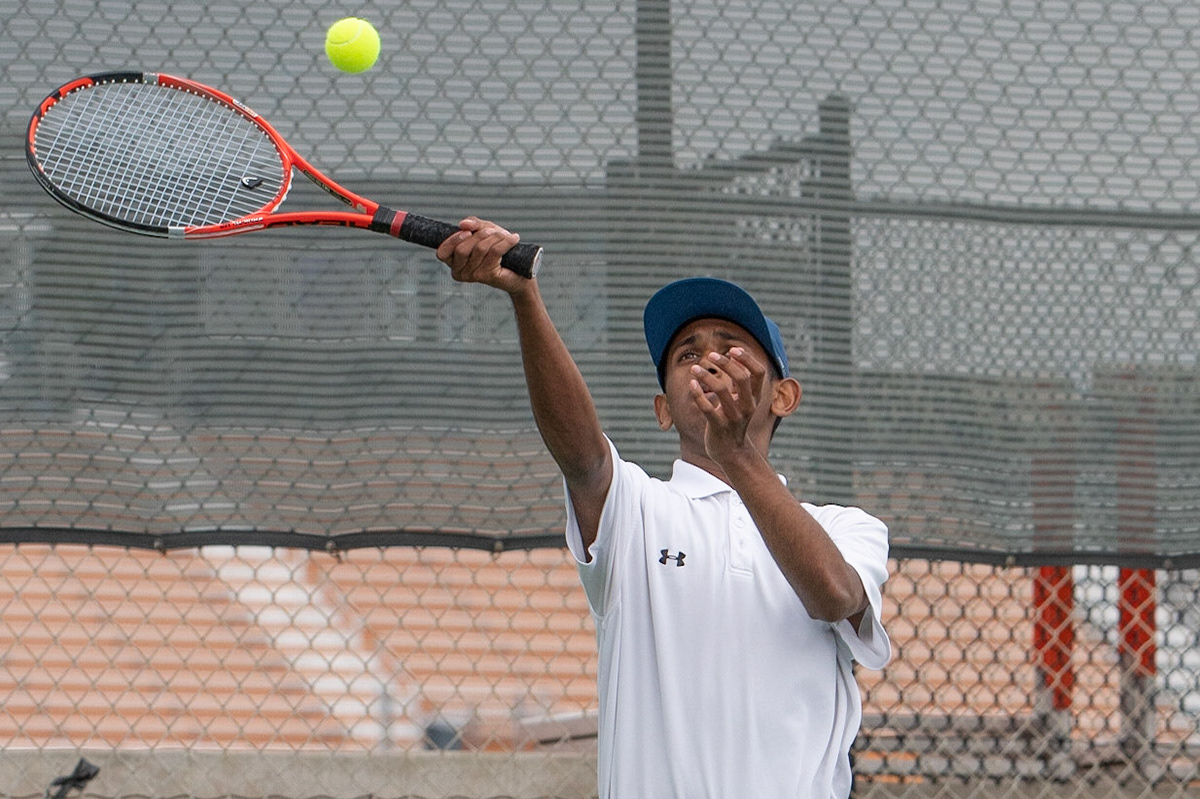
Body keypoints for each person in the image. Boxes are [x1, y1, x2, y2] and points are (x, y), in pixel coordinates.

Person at [437, 218, 891, 798]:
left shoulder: (845, 526)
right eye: (686, 355)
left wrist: (736, 454)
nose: (708, 361)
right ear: (662, 409)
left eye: (732, 349)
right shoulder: (636, 507)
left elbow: (833, 594)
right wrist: (525, 296)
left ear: (782, 396)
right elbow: (579, 454)